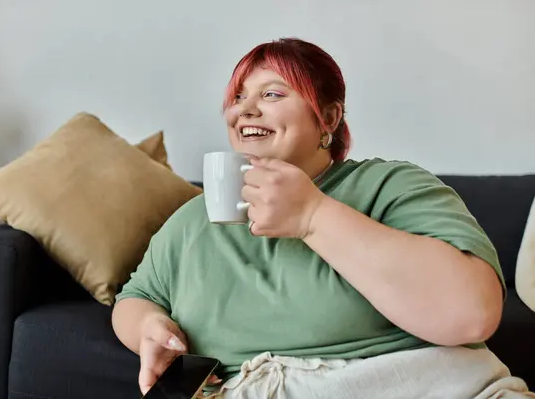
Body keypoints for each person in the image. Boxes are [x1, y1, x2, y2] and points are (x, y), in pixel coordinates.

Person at [112, 38, 534, 398]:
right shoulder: (192, 220)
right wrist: (149, 328)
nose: (246, 110)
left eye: (272, 94)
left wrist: (313, 215)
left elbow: (471, 312)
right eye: (238, 97)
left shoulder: (390, 186)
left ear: (328, 119)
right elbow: (135, 298)